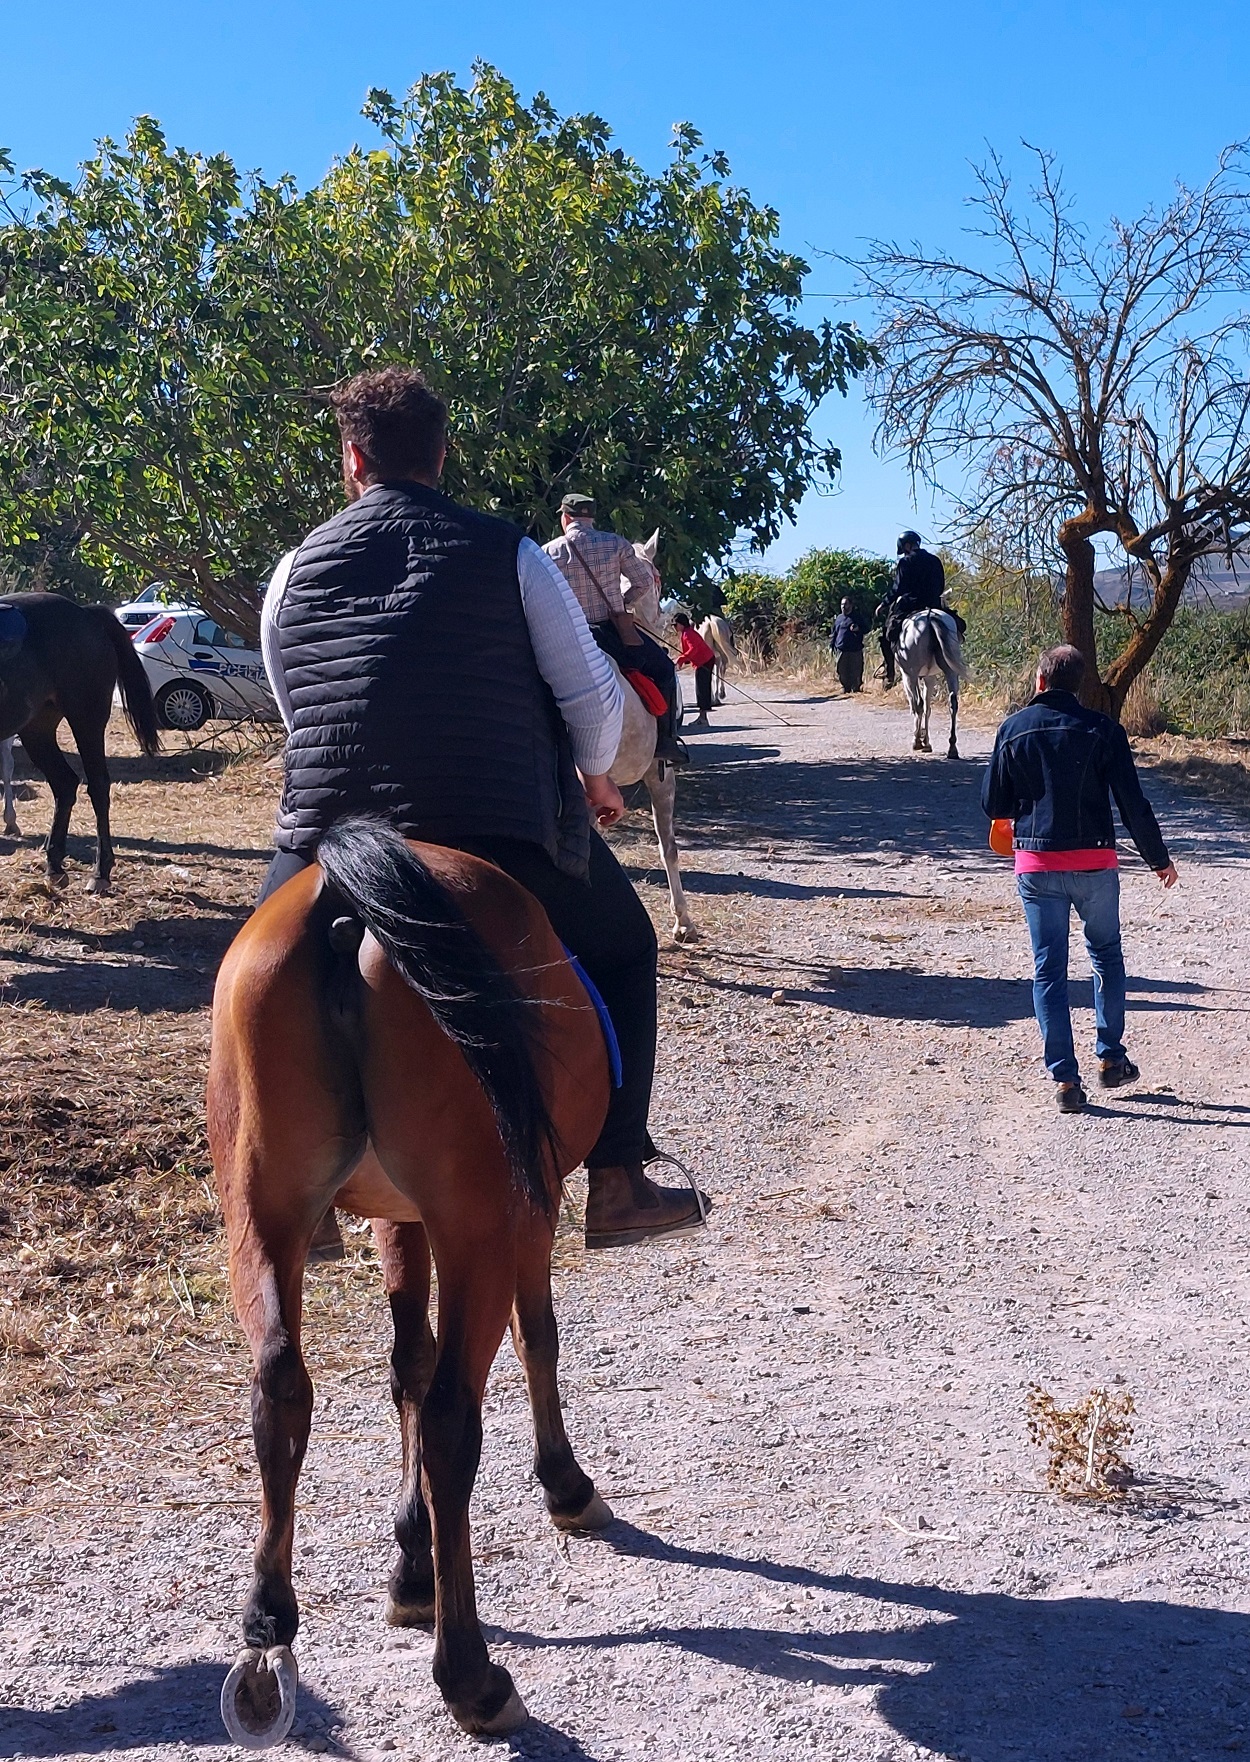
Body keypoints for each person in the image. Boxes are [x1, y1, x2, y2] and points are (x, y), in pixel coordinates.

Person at [259, 366, 708, 1248]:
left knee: (254, 974)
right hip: (493, 824)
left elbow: (295, 705)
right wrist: (597, 775)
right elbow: (591, 703)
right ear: (444, 453)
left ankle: (287, 1182)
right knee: (626, 946)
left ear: (352, 460)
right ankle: (618, 1177)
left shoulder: (291, 569)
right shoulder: (511, 554)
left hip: (329, 834)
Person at [981, 643, 1179, 1113]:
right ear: (1079, 685)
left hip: (1037, 866)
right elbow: (1134, 803)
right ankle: (1110, 1058)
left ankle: (1065, 1080)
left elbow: (994, 805)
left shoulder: (1012, 730)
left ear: (1040, 681)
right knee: (1106, 954)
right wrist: (1158, 859)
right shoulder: (1104, 731)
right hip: (1095, 865)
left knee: (1048, 969)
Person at [543, 494, 684, 764]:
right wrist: (621, 603)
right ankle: (666, 742)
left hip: (570, 636)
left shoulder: (549, 551)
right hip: (612, 632)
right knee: (664, 670)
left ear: (565, 517)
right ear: (590, 518)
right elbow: (643, 583)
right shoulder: (615, 543)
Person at [879, 531, 965, 687]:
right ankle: (956, 653)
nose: (904, 552)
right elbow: (940, 585)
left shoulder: (905, 562)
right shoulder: (935, 560)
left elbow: (898, 588)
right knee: (958, 625)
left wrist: (884, 603)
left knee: (887, 634)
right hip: (934, 604)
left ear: (907, 545)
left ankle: (890, 671)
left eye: (904, 549)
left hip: (910, 605)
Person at [672, 612, 717, 729]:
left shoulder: (687, 634)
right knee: (702, 688)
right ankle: (703, 717)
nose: (674, 627)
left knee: (702, 689)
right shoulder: (687, 633)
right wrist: (683, 660)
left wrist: (681, 659)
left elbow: (693, 649)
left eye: (675, 625)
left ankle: (703, 719)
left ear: (681, 624)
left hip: (705, 661)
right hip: (705, 661)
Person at [830, 596, 866, 693]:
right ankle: (845, 687)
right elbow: (834, 633)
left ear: (851, 605)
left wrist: (858, 628)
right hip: (841, 649)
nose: (843, 607)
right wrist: (831, 645)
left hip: (855, 650)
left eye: (845, 604)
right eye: (842, 604)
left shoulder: (857, 617)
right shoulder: (839, 618)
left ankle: (856, 688)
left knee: (856, 670)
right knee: (841, 670)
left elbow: (866, 629)